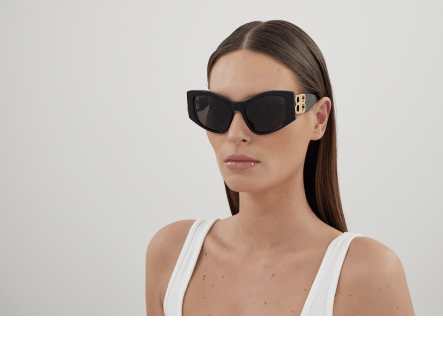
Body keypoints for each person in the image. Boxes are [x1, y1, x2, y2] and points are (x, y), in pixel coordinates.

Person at [146, 20, 415, 316]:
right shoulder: (171, 254)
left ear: (319, 118)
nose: (235, 134)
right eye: (216, 109)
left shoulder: (369, 273)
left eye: (267, 109)